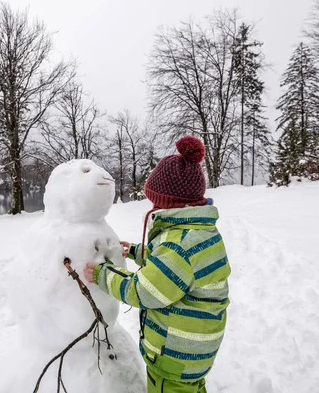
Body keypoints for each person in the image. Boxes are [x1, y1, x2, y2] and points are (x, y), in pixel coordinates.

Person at [84, 136, 231, 393]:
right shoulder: (199, 232)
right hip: (195, 349)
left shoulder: (179, 244)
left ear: (169, 203)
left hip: (175, 354)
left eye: (156, 202)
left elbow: (144, 291)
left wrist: (102, 275)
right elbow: (173, 270)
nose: (152, 206)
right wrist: (136, 251)